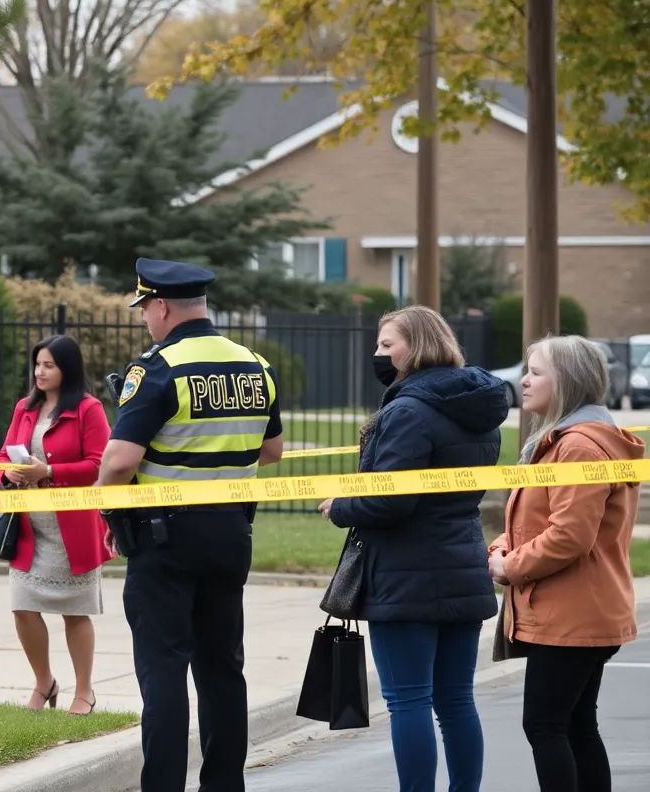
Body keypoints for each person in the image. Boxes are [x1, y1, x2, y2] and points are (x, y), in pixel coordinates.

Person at [94, 258, 284, 792]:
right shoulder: (254, 365)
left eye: (145, 311)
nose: (144, 322)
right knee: (223, 670)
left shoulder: (157, 368)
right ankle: (224, 784)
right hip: (230, 534)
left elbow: (117, 461)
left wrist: (110, 510)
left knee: (164, 672)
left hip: (164, 539)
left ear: (161, 306)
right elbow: (272, 451)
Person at [316, 305, 508, 792]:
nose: (378, 354)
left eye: (387, 345)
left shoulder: (407, 410)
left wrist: (341, 506)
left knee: (408, 701)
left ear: (418, 346)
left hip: (405, 577)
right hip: (462, 564)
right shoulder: (478, 408)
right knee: (456, 701)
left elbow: (390, 501)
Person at [488, 335, 643, 792]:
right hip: (581, 609)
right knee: (576, 726)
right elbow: (532, 520)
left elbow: (569, 536)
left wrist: (510, 567)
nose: (524, 380)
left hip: (572, 614)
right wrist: (500, 549)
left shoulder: (578, 446)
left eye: (536, 372)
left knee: (545, 726)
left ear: (568, 382)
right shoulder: (566, 441)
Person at [0, 335, 113, 715]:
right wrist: (7, 473)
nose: (39, 372)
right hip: (30, 528)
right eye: (37, 364)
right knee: (23, 607)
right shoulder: (24, 408)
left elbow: (100, 463)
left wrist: (51, 471)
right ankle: (44, 683)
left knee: (75, 611)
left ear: (67, 369)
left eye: (49, 365)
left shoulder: (88, 410)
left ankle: (84, 692)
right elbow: (0, 456)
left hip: (72, 529)